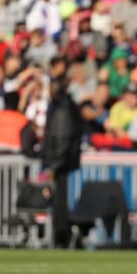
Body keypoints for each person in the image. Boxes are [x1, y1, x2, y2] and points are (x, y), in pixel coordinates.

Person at [41, 78, 82, 248]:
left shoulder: (62, 108)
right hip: (62, 160)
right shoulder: (65, 106)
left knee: (59, 202)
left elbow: (62, 137)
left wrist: (53, 165)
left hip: (59, 162)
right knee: (59, 200)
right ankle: (60, 235)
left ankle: (61, 237)